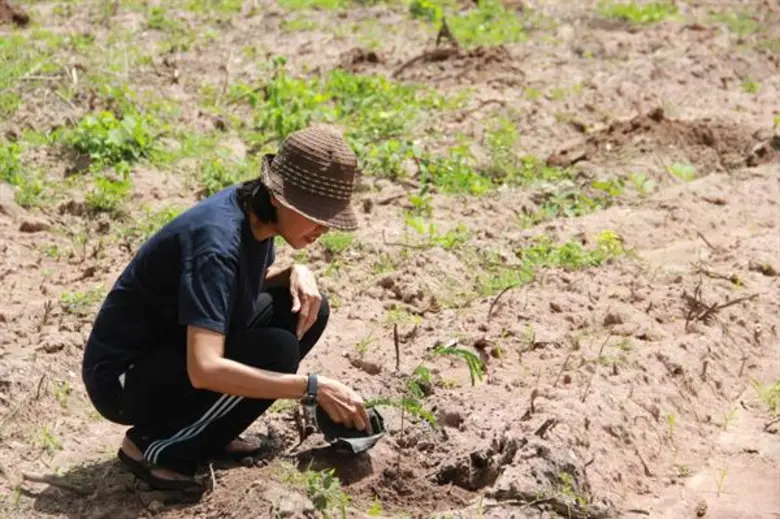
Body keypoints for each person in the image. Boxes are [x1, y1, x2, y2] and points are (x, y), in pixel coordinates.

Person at [81, 125, 373, 493]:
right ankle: (155, 448)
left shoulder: (254, 216)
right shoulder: (217, 242)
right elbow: (204, 369)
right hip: (124, 380)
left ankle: (209, 431)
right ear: (281, 198)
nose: (324, 228)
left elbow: (231, 285)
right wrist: (311, 388)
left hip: (170, 345)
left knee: (305, 309)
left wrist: (293, 271)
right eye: (316, 214)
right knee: (277, 352)